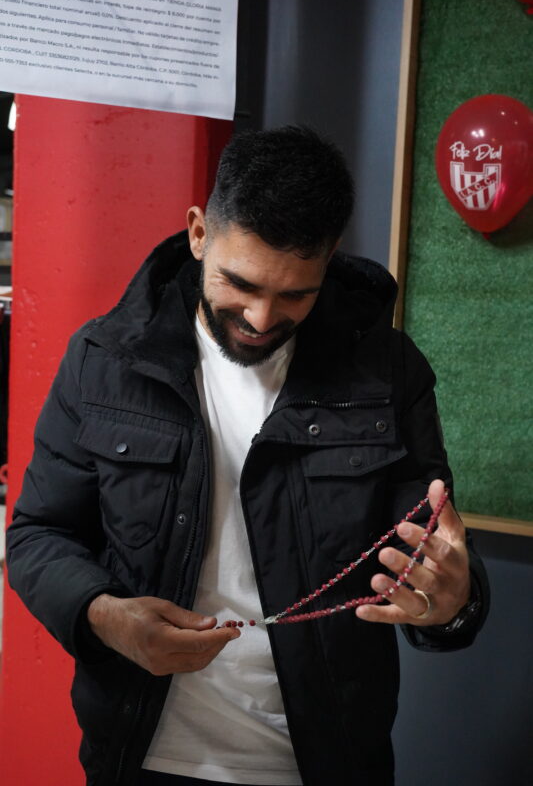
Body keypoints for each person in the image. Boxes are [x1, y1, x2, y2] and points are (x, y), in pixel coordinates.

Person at [6, 126, 489, 786]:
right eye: (241, 283)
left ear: (329, 260)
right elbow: (38, 535)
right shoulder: (104, 361)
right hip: (139, 754)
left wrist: (453, 600)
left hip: (325, 763)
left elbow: (433, 558)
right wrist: (104, 617)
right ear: (198, 233)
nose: (261, 318)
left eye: (294, 294)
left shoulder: (387, 374)